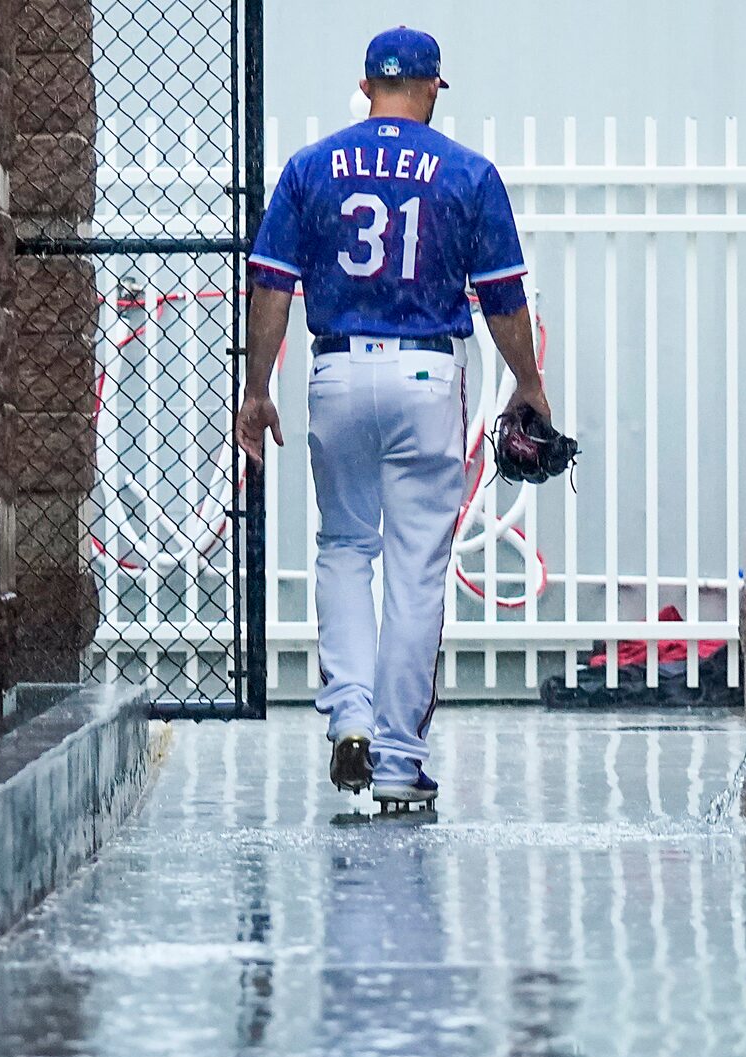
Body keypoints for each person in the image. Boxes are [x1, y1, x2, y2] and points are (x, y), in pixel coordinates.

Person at [237, 26, 554, 810]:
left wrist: (255, 390)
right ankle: (397, 760)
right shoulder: (467, 173)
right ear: (432, 88)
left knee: (345, 546)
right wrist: (529, 384)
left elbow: (272, 286)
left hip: (337, 368)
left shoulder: (311, 168)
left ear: (365, 85)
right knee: (415, 566)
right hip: (425, 373)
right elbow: (503, 298)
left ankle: (347, 713)